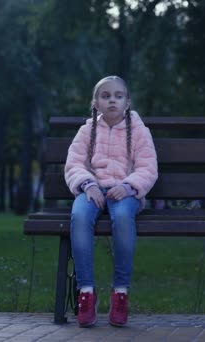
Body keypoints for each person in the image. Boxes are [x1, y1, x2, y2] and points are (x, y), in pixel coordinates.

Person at [64, 75, 158, 327]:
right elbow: (73, 164)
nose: (112, 100)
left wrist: (128, 186)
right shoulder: (87, 130)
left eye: (118, 96)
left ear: (127, 102)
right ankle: (86, 291)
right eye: (105, 96)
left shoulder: (139, 130)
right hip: (93, 190)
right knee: (80, 216)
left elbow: (148, 167)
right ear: (95, 103)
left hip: (126, 192)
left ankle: (120, 293)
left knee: (123, 217)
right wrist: (88, 184)